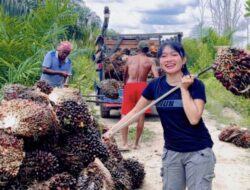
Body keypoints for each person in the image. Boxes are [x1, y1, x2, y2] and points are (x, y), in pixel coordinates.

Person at [103, 41, 216, 190]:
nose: (169, 59)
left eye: (174, 55)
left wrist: (184, 89)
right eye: (164, 56)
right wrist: (111, 132)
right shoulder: (155, 86)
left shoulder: (196, 85)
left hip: (198, 152)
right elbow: (136, 111)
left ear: (183, 60)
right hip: (172, 152)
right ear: (159, 61)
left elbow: (194, 119)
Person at [120, 40, 159, 150]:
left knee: (125, 113)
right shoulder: (150, 61)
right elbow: (156, 77)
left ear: (138, 48)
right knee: (141, 114)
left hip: (130, 85)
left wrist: (124, 85)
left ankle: (125, 143)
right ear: (147, 50)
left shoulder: (129, 59)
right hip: (143, 86)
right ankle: (136, 144)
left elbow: (125, 74)